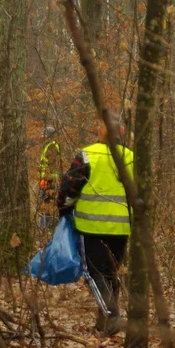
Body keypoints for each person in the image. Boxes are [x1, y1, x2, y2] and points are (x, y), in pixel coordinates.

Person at [55, 126, 134, 335]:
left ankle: (111, 316)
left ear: (101, 130)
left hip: (91, 226)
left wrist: (63, 207)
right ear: (122, 133)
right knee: (110, 272)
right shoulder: (131, 157)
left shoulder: (88, 155)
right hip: (122, 227)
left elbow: (69, 188)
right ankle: (106, 321)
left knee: (94, 273)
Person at [37, 127, 61, 230]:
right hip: (46, 181)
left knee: (47, 207)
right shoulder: (49, 146)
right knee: (45, 206)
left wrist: (47, 181)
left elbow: (51, 166)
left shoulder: (52, 147)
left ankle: (45, 229)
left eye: (44, 135)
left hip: (49, 182)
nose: (42, 137)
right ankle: (45, 229)